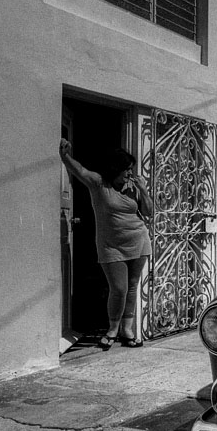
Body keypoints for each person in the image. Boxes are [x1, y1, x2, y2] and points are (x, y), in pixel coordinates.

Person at [59, 139, 152, 349]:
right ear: (115, 169)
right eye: (126, 170)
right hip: (111, 245)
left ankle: (127, 331)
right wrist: (65, 157)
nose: (130, 173)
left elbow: (148, 212)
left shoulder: (133, 187)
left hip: (138, 241)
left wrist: (144, 190)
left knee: (131, 287)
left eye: (131, 169)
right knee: (118, 288)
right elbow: (81, 171)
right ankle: (112, 329)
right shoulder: (100, 183)